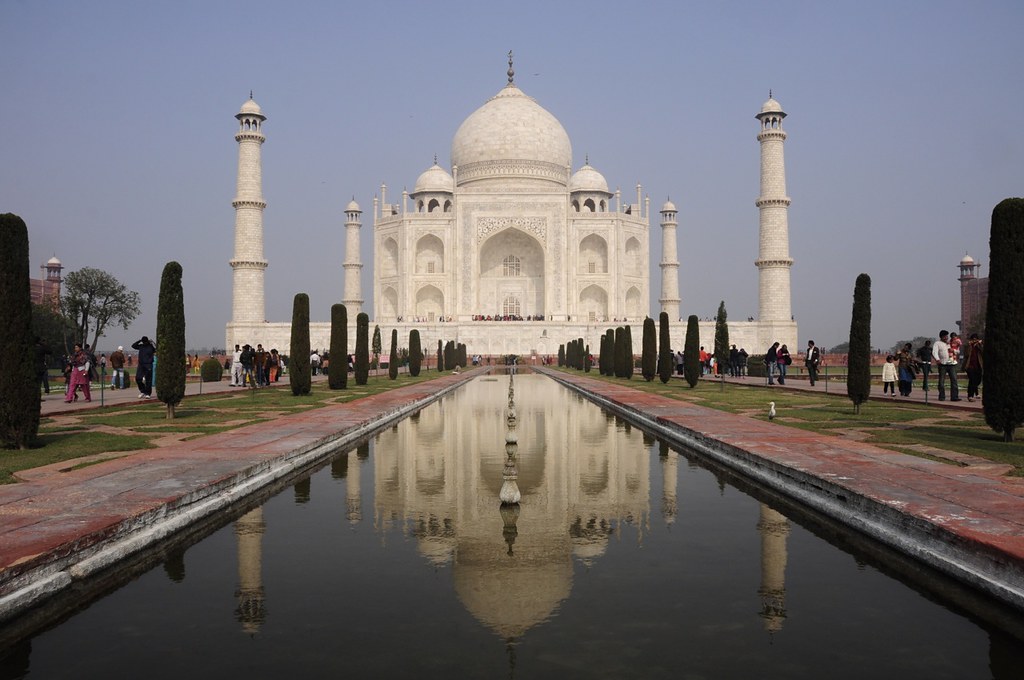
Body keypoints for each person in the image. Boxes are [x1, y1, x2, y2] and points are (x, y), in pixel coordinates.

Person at [932, 330, 960, 401]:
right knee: (941, 381)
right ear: (941, 337)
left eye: (947, 336)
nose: (946, 337)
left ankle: (954, 397)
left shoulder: (950, 343)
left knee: (954, 380)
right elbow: (934, 352)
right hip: (943, 364)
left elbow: (958, 351)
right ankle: (942, 396)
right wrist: (937, 359)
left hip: (952, 364)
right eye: (945, 336)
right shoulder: (937, 343)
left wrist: (953, 350)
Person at [963, 333, 984, 402]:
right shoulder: (968, 346)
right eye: (973, 339)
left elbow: (983, 352)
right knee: (972, 380)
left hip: (978, 366)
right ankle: (970, 395)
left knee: (978, 380)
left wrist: (979, 344)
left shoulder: (979, 345)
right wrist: (970, 346)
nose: (974, 340)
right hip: (970, 366)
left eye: (976, 339)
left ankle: (973, 392)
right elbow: (966, 354)